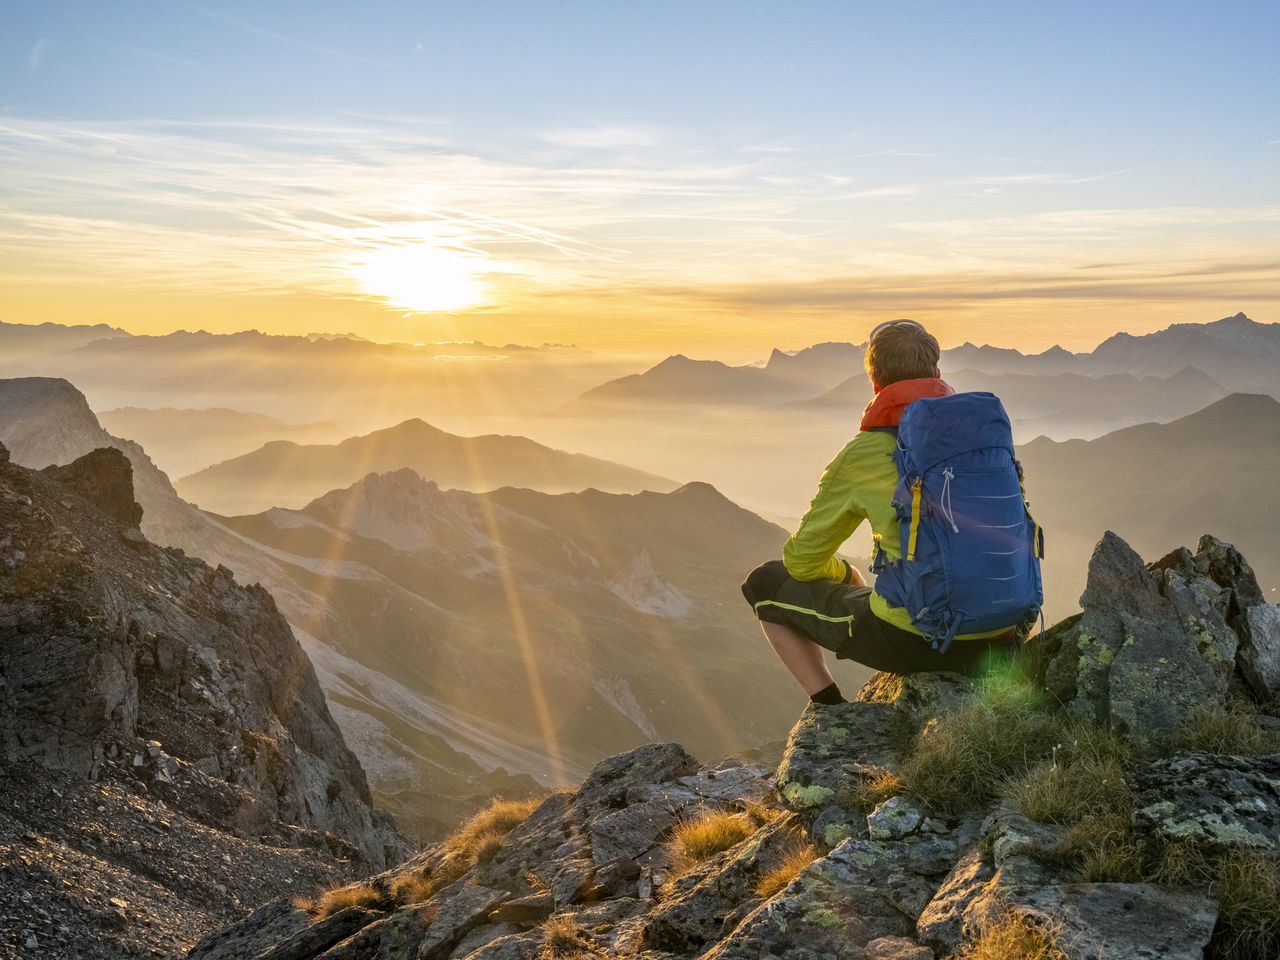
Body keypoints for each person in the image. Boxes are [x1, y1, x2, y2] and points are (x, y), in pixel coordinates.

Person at [741, 319, 1026, 706]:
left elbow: (802, 562)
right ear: (938, 374)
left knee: (764, 584)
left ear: (876, 384)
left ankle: (829, 709)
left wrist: (846, 573)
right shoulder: (983, 439)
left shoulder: (865, 452)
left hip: (920, 641)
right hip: (1006, 629)